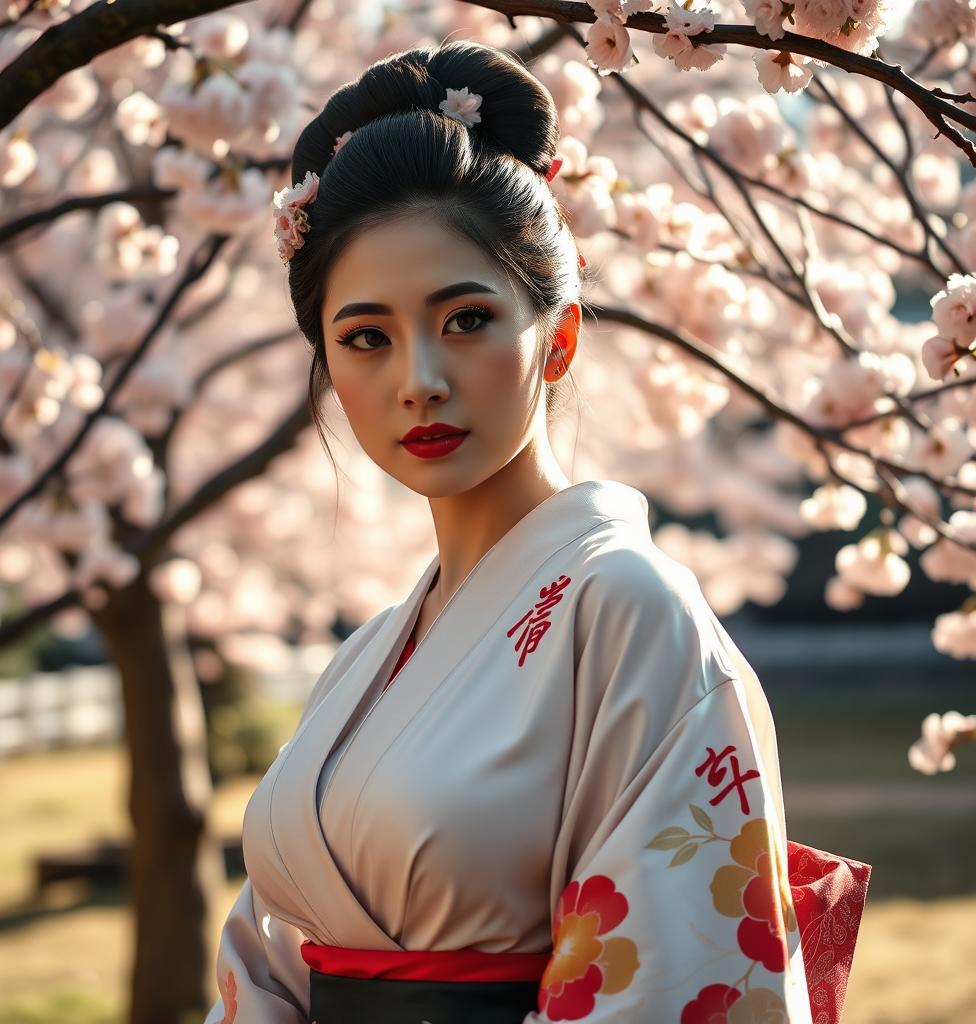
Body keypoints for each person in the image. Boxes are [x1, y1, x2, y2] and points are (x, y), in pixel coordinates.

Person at [205, 39, 870, 1024]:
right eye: (365, 338)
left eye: (466, 319)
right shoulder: (365, 656)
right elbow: (265, 959)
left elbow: (667, 973)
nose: (417, 377)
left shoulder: (628, 608)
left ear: (555, 337)